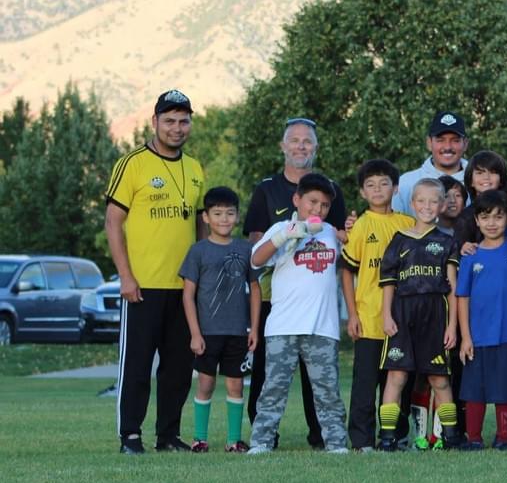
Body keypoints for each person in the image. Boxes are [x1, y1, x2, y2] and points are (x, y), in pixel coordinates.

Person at [105, 89, 206, 455]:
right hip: (143, 285)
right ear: (154, 123)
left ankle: (168, 436)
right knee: (136, 367)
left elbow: (200, 228)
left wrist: (201, 276)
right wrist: (125, 276)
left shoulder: (195, 168)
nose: (177, 128)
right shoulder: (132, 164)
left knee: (179, 368)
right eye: (169, 121)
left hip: (184, 289)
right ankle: (130, 436)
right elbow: (113, 222)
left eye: (183, 121)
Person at [243, 117, 348, 450]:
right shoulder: (282, 229)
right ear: (297, 202)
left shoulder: (332, 234)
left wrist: (354, 229)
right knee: (272, 388)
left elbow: (352, 258)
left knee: (327, 390)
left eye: (323, 205)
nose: (316, 208)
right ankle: (261, 443)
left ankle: (336, 444)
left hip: (323, 327)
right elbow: (255, 260)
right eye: (311, 203)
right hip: (282, 327)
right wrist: (288, 236)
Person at [377, 178, 461, 451]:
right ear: (412, 204)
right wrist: (386, 315)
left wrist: (453, 326)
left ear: (442, 205)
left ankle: (449, 435)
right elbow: (388, 283)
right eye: (421, 201)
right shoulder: (399, 240)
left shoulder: (446, 242)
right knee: (397, 376)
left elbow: (453, 289)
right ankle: (388, 437)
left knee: (439, 378)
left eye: (433, 201)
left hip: (435, 315)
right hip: (402, 313)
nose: (427, 206)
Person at [339, 159, 415, 451]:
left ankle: (395, 435)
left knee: (398, 381)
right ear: (362, 192)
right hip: (370, 318)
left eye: (384, 183)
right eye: (370, 185)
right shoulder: (360, 226)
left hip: (402, 320)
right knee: (365, 384)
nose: (378, 189)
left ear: (395, 189)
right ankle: (361, 440)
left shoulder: (407, 224)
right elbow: (347, 270)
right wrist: (352, 314)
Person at [180, 187, 261, 453]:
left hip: (238, 331)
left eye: (229, 213)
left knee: (236, 384)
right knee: (206, 383)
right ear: (206, 217)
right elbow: (188, 295)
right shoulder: (198, 251)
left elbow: (255, 290)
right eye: (217, 213)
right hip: (207, 332)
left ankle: (233, 440)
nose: (224, 219)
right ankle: (199, 438)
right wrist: (195, 333)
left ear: (237, 216)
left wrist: (254, 328)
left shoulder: (246, 248)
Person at [456, 190, 507, 451]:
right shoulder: (470, 255)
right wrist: (466, 337)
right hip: (477, 335)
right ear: (477, 221)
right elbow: (463, 296)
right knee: (475, 390)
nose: (492, 223)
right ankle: (473, 438)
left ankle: (504, 438)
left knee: (505, 388)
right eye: (486, 217)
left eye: (498, 216)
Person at [392, 110, 469, 214]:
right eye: (440, 140)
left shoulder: (478, 184)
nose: (447, 147)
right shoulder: (405, 184)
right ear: (429, 143)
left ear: (465, 144)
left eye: (455, 140)